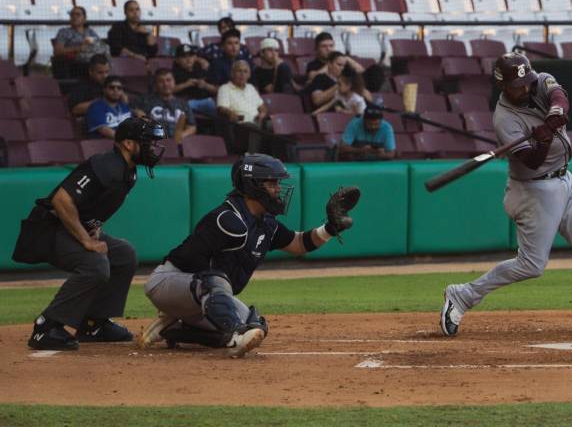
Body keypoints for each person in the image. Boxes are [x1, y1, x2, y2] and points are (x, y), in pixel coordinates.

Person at [439, 53, 572, 340]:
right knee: (532, 265)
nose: (525, 88)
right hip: (533, 190)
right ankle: (463, 295)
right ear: (503, 86)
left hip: (564, 179)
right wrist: (542, 140)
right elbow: (531, 162)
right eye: (518, 85)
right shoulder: (504, 119)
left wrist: (554, 115)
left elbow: (559, 95)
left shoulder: (537, 81)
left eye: (526, 82)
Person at [138, 154, 360, 357]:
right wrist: (211, 292)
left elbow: (299, 244)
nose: (278, 188)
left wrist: (330, 229)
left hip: (202, 296)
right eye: (272, 182)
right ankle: (229, 334)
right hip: (168, 283)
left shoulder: (266, 223)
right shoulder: (227, 219)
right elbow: (185, 259)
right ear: (253, 186)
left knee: (256, 327)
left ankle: (174, 328)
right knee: (216, 287)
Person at [13, 118, 166, 351]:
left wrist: (94, 227)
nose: (153, 147)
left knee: (123, 254)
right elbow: (61, 200)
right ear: (127, 143)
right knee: (96, 264)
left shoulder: (128, 171)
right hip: (48, 229)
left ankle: (94, 323)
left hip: (68, 228)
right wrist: (85, 240)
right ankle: (46, 327)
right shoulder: (106, 165)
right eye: (147, 142)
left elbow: (92, 203)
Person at [217, 60, 268, 154]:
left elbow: (262, 106)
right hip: (239, 125)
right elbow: (221, 108)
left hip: (257, 121)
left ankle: (280, 160)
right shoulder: (225, 88)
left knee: (272, 126)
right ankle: (251, 160)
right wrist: (231, 113)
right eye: (239, 71)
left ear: (249, 75)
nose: (242, 74)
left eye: (245, 72)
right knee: (253, 127)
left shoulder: (251, 88)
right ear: (232, 73)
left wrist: (263, 113)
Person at [134, 69, 197, 140]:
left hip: (177, 143)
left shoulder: (183, 104)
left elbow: (192, 127)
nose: (165, 84)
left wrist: (181, 135)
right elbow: (136, 112)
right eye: (161, 81)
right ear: (156, 84)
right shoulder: (145, 100)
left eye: (168, 80)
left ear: (174, 82)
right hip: (153, 141)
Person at [306, 51, 371, 110]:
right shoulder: (320, 78)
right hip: (331, 115)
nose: (342, 68)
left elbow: (369, 99)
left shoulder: (348, 79)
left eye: (344, 66)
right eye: (339, 65)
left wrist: (359, 89)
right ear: (329, 64)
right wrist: (339, 86)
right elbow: (317, 100)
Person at [53, 7, 109, 72]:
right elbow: (57, 51)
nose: (74, 17)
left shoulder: (90, 32)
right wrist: (78, 48)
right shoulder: (64, 32)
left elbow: (99, 45)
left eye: (78, 14)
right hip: (76, 63)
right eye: (72, 15)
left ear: (84, 19)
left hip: (94, 60)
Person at [172, 44, 218, 117]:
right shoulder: (175, 72)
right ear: (177, 60)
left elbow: (217, 90)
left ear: (195, 57)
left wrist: (205, 85)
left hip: (207, 100)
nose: (188, 59)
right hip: (186, 102)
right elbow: (169, 90)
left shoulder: (201, 69)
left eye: (191, 56)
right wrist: (186, 84)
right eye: (184, 57)